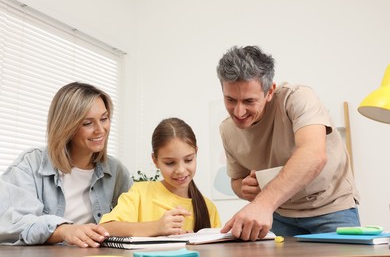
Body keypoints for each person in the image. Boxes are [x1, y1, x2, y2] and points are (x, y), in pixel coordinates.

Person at [216, 46, 360, 241]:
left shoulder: (298, 98)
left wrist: (263, 203)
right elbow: (236, 180)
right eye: (230, 99)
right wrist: (244, 188)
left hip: (331, 207)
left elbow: (313, 154)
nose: (239, 112)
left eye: (249, 101)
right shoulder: (227, 130)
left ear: (269, 92)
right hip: (279, 214)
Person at [0, 82, 132, 247]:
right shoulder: (30, 164)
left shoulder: (116, 171)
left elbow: (133, 220)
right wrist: (63, 230)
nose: (100, 129)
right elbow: (10, 223)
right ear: (66, 126)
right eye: (87, 123)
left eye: (104, 119)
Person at [99, 117, 221, 236]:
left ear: (196, 153)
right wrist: (157, 227)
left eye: (188, 160)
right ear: (155, 160)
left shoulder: (208, 208)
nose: (180, 170)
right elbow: (105, 228)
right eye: (170, 163)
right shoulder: (140, 193)